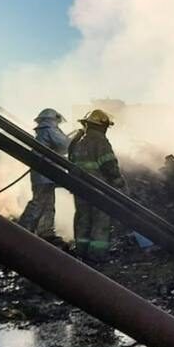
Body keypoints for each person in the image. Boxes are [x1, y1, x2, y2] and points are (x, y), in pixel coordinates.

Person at [68, 109, 125, 261]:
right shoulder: (100, 141)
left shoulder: (78, 141)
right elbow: (108, 164)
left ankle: (82, 253)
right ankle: (97, 255)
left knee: (83, 219)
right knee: (101, 221)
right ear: (102, 126)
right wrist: (118, 181)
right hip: (98, 188)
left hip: (79, 187)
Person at [18, 108, 70, 242]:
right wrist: (74, 139)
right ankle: (23, 230)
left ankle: (46, 232)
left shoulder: (43, 131)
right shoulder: (50, 129)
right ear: (53, 119)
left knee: (47, 204)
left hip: (45, 174)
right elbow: (65, 145)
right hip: (45, 174)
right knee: (39, 202)